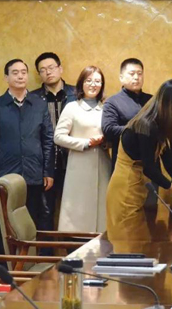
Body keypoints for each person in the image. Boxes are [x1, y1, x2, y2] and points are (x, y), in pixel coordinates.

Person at [106, 80, 172, 231]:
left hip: (139, 189)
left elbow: (169, 161)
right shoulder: (146, 125)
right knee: (126, 239)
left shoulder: (158, 124)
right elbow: (150, 169)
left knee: (140, 239)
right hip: (124, 191)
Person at [0, 59, 54, 228]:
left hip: (34, 174)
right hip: (5, 175)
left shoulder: (39, 104)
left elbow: (48, 139)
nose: (20, 76)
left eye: (23, 72)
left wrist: (48, 171)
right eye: (15, 73)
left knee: (32, 223)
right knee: (6, 225)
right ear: (6, 78)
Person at [54, 66, 111, 232]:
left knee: (102, 214)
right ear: (81, 83)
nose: (93, 84)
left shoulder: (106, 108)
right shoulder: (72, 107)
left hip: (102, 164)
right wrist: (86, 143)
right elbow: (58, 136)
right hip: (79, 166)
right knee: (78, 213)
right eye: (89, 80)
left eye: (97, 81)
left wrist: (105, 142)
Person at [31, 52, 77, 232]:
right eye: (42, 70)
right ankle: (47, 249)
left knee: (74, 211)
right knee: (45, 212)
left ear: (60, 68)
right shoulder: (33, 99)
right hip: (45, 164)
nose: (48, 72)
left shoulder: (76, 93)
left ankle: (74, 249)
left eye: (51, 68)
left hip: (73, 161)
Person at [101, 58, 152, 170]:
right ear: (121, 78)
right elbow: (108, 129)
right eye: (132, 74)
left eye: (140, 73)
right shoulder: (113, 102)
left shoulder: (152, 100)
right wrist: (138, 130)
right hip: (125, 164)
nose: (136, 77)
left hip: (151, 162)